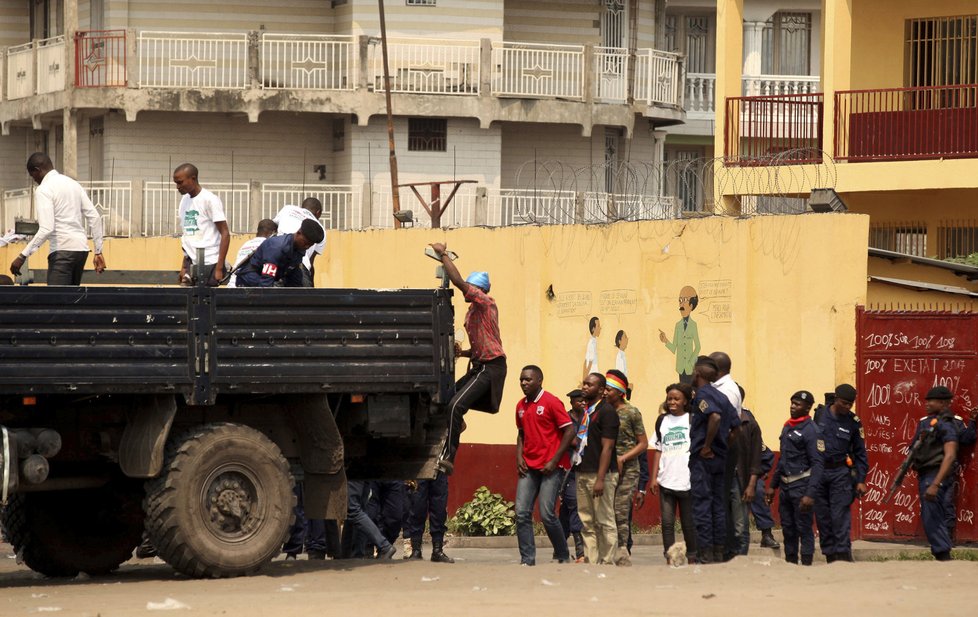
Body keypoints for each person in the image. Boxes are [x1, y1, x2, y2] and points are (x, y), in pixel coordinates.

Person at [429, 242, 507, 475]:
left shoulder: (485, 302)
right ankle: (458, 424)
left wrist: (443, 255)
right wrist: (462, 353)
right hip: (480, 365)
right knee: (446, 401)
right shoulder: (472, 312)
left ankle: (448, 457)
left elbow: (458, 282)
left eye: (471, 287)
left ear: (478, 289)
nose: (467, 291)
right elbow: (482, 344)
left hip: (491, 367)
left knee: (455, 405)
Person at [10, 153, 105, 285]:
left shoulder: (44, 189)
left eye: (33, 176)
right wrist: (98, 251)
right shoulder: (74, 184)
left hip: (62, 251)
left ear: (37, 170)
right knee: (70, 301)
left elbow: (46, 228)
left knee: (55, 300)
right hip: (81, 251)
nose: (35, 180)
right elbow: (94, 217)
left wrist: (22, 256)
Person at [514, 365, 575, 565]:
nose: (523, 383)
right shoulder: (520, 406)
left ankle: (562, 553)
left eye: (528, 379)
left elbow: (569, 431)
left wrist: (555, 460)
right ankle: (527, 559)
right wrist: (519, 457)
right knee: (521, 512)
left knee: (547, 514)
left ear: (539, 380)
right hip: (529, 467)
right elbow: (521, 433)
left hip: (551, 467)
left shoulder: (551, 402)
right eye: (522, 379)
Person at [765, 391, 824, 566]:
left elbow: (818, 465)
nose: (792, 406)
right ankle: (790, 563)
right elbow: (783, 459)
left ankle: (806, 564)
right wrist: (772, 486)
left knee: (804, 528)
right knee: (788, 529)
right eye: (792, 403)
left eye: (797, 404)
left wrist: (810, 494)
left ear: (808, 408)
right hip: (785, 487)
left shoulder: (812, 431)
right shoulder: (787, 426)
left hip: (802, 486)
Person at [688, 355, 737, 563]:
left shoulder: (702, 395)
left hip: (704, 460)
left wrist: (707, 446)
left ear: (697, 373)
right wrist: (723, 445)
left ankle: (705, 553)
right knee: (718, 505)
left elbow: (714, 417)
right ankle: (718, 551)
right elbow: (736, 428)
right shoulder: (723, 397)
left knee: (702, 505)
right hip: (721, 459)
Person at [813, 383, 869, 563]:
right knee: (823, 518)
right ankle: (830, 556)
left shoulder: (853, 422)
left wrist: (861, 480)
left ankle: (844, 555)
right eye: (844, 403)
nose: (847, 407)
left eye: (850, 404)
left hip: (840, 473)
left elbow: (861, 453)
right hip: (819, 472)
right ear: (836, 399)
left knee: (840, 517)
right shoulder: (819, 415)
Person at [908, 386, 960, 561]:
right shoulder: (929, 423)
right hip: (926, 474)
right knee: (931, 515)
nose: (928, 404)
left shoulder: (947, 424)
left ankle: (943, 554)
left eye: (932, 400)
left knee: (933, 516)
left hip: (935, 475)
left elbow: (950, 455)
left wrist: (936, 483)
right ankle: (941, 553)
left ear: (944, 403)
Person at [573, 372, 619, 564]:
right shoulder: (587, 412)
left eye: (589, 385)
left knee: (604, 520)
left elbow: (607, 447)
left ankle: (607, 562)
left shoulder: (607, 411)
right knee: (586, 521)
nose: (584, 387)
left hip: (601, 475)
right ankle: (592, 561)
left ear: (601, 390)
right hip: (583, 471)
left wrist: (600, 478)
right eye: (584, 383)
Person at [604, 369, 647, 567]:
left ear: (620, 392)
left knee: (620, 511)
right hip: (606, 468)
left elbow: (643, 443)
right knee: (605, 512)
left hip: (628, 469)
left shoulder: (631, 412)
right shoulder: (602, 411)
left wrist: (623, 458)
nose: (605, 392)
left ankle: (622, 553)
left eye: (609, 389)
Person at [651, 383, 697, 565]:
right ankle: (670, 557)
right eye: (669, 398)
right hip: (666, 481)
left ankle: (692, 556)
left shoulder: (691, 419)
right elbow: (658, 450)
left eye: (676, 399)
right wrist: (654, 478)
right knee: (667, 524)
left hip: (687, 480)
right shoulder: (662, 421)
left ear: (685, 400)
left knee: (688, 523)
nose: (672, 402)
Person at [174, 163, 229, 286]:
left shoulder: (210, 200)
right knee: (187, 300)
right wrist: (184, 266)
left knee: (206, 302)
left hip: (210, 261)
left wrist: (219, 268)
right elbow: (187, 235)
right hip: (191, 262)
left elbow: (225, 233)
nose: (177, 187)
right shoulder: (184, 200)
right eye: (176, 183)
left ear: (192, 178)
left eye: (180, 182)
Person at [725, 385, 762, 559]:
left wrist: (751, 485)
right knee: (725, 522)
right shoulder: (717, 421)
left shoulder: (750, 424)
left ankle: (741, 560)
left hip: (739, 480)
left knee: (741, 525)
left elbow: (756, 458)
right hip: (721, 480)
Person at [235, 219, 323, 288]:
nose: (307, 246)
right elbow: (266, 282)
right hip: (250, 280)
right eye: (305, 242)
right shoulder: (277, 247)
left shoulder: (298, 250)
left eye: (310, 245)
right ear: (298, 233)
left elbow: (294, 277)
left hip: (267, 281)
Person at [559, 389, 586, 562]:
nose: (582, 404)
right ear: (572, 402)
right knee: (573, 505)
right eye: (579, 401)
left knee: (566, 511)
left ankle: (560, 548)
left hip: (586, 469)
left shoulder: (588, 418)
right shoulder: (565, 419)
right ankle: (580, 552)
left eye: (584, 401)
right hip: (568, 471)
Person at [273, 198, 326, 287]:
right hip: (301, 265)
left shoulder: (288, 209)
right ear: (318, 212)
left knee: (270, 296)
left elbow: (272, 226)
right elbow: (310, 262)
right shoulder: (320, 230)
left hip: (277, 257)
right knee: (303, 299)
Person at [403, 472, 455, 563]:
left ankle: (437, 550)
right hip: (420, 466)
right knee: (417, 506)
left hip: (440, 466)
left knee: (439, 508)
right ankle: (416, 550)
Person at [340, 481, 396, 560]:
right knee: (358, 510)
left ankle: (384, 546)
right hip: (363, 474)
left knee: (353, 510)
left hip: (353, 473)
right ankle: (352, 554)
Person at [658, 286, 700, 385]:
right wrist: (665, 341)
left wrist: (691, 362)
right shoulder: (678, 326)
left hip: (690, 368)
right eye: (680, 300)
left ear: (691, 305)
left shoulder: (693, 325)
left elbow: (698, 346)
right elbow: (674, 348)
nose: (681, 303)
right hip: (681, 368)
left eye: (685, 300)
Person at [228, 219, 276, 287]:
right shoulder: (269, 245)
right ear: (273, 233)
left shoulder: (246, 244)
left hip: (232, 285)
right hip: (247, 287)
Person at [751, 442, 780, 549]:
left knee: (758, 491)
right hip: (729, 476)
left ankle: (767, 535)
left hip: (750, 476)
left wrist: (757, 473)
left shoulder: (750, 430)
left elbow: (767, 456)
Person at [583, 317, 600, 382]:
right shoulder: (592, 343)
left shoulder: (593, 341)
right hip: (593, 375)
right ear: (593, 329)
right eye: (598, 326)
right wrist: (585, 379)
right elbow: (589, 362)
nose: (600, 328)